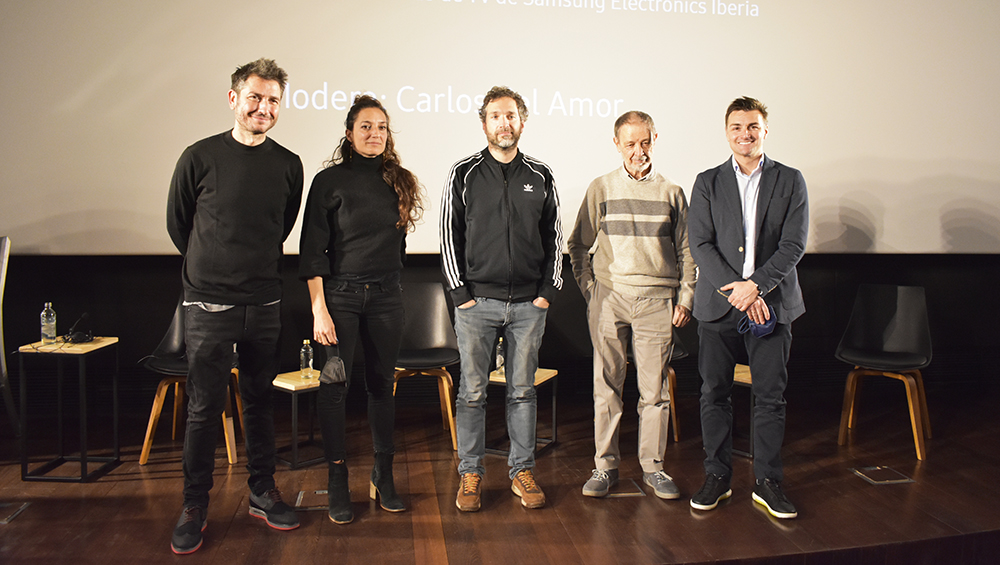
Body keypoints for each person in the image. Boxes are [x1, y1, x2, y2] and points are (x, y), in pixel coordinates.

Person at [166, 58, 304, 554]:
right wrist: (214, 270)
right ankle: (194, 504)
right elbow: (178, 224)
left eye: (272, 100)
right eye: (255, 97)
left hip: (264, 301)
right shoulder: (198, 156)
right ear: (234, 99)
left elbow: (281, 226)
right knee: (203, 409)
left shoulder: (289, 164)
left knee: (260, 403)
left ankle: (261, 493)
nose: (263, 107)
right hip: (208, 305)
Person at [298, 95, 424, 525]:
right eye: (366, 126)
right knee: (334, 388)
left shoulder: (400, 181)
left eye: (382, 127)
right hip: (340, 299)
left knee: (380, 386)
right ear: (350, 133)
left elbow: (399, 245)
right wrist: (320, 310)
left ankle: (382, 476)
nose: (375, 134)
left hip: (387, 299)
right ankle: (337, 482)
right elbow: (312, 251)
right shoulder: (328, 182)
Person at [440, 86, 563, 512]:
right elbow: (448, 237)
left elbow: (555, 239)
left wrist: (547, 293)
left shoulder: (541, 175)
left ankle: (521, 472)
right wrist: (461, 296)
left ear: (522, 122)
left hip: (529, 306)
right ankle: (470, 475)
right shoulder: (464, 173)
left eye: (511, 116)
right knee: (472, 392)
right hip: (477, 305)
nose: (504, 123)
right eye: (495, 116)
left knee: (522, 393)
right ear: (484, 123)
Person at [687, 96, 808, 520]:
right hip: (718, 308)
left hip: (772, 304)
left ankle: (768, 481)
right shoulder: (707, 182)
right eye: (737, 127)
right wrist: (735, 291)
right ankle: (717, 475)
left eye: (753, 126)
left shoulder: (791, 180)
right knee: (714, 393)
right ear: (727, 132)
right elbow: (700, 243)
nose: (745, 134)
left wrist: (755, 288)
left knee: (770, 397)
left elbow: (794, 245)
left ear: (765, 131)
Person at [568, 111, 696, 500]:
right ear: (616, 144)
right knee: (606, 386)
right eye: (630, 144)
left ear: (655, 139)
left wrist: (686, 297)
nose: (638, 151)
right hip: (609, 299)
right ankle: (605, 467)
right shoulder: (601, 188)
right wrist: (590, 289)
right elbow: (578, 245)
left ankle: (653, 469)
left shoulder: (672, 192)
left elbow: (688, 251)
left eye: (645, 142)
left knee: (653, 393)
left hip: (658, 301)